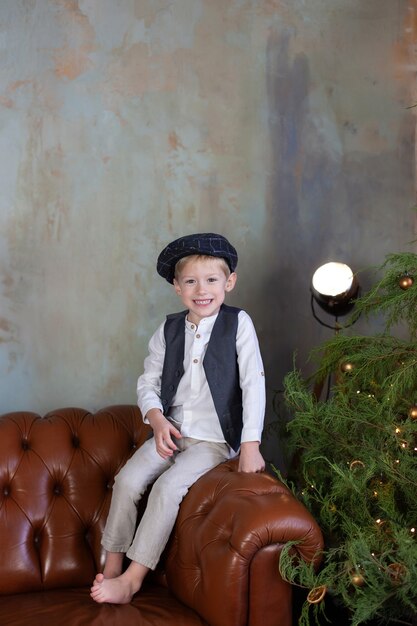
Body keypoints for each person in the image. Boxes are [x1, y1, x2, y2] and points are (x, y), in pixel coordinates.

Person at [91, 232, 266, 605]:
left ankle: (133, 580)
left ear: (229, 282)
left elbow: (254, 384)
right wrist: (156, 420)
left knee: (168, 489)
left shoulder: (239, 324)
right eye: (190, 281)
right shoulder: (169, 329)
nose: (201, 290)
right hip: (171, 431)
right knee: (127, 480)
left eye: (212, 280)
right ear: (176, 287)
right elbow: (148, 382)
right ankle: (113, 561)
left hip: (214, 440)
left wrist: (250, 444)